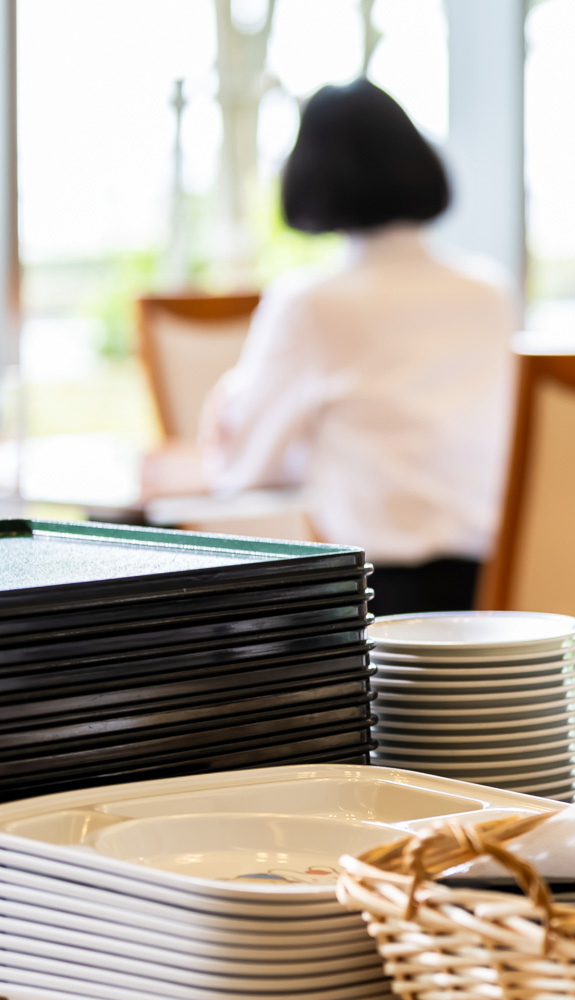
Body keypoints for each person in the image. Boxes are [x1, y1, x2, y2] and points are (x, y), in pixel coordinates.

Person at [200, 79, 515, 616]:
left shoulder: (310, 303)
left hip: (373, 605)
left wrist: (229, 404)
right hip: (500, 597)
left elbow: (243, 472)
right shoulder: (491, 291)